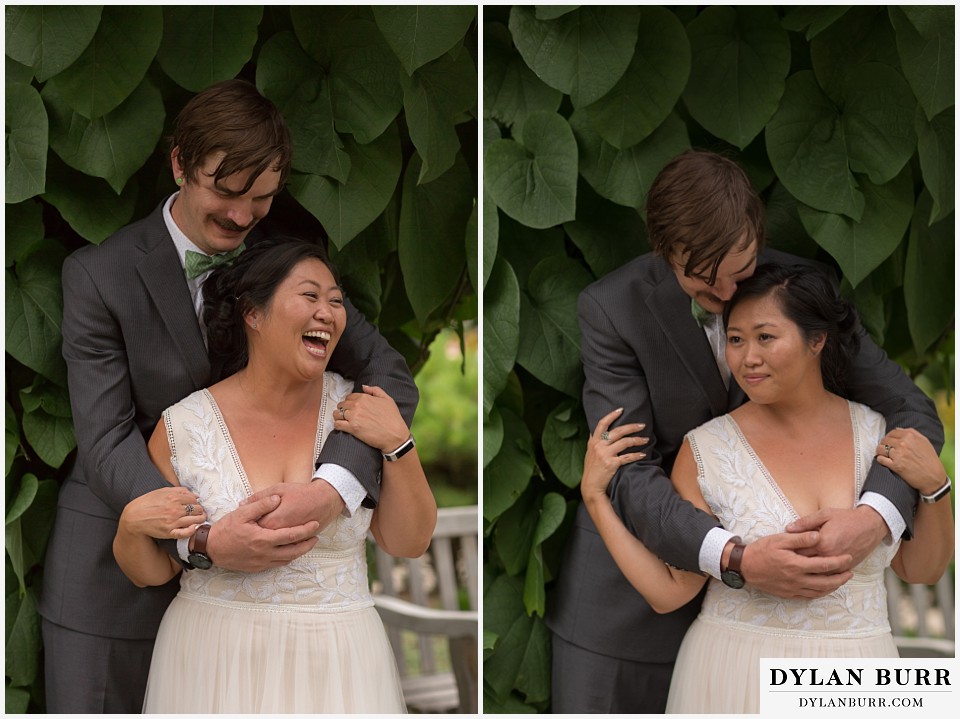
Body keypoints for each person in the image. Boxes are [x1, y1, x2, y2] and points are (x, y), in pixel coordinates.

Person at [40, 79, 419, 713]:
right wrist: (202, 541)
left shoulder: (288, 263)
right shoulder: (98, 276)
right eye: (225, 191)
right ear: (179, 164)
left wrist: (333, 491)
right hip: (117, 570)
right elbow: (105, 441)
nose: (242, 216)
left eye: (262, 197)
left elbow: (390, 377)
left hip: (263, 610)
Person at [545, 150, 944, 712]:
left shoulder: (802, 292)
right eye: (702, 278)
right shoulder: (611, 309)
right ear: (665, 252)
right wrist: (735, 558)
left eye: (738, 269)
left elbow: (913, 415)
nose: (729, 294)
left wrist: (874, 515)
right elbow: (628, 470)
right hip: (630, 607)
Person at [111, 238, 437, 712]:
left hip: (340, 664)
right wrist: (129, 527)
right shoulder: (184, 425)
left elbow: (408, 541)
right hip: (213, 662)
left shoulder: (360, 411)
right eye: (309, 296)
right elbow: (155, 570)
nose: (327, 312)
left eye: (336, 301)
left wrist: (397, 443)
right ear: (253, 314)